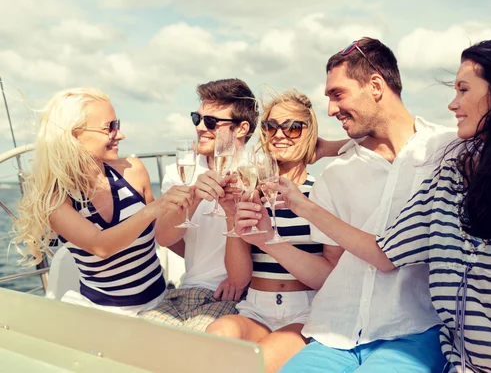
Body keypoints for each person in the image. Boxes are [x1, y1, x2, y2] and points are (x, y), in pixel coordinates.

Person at [236, 38, 491, 373]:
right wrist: (267, 240)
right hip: (333, 333)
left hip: (416, 331)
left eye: (337, 94)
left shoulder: (451, 150)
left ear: (375, 85)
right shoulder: (336, 174)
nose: (330, 110)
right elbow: (331, 271)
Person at [12, 88, 194, 316]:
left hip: (160, 303)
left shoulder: (133, 170)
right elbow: (101, 246)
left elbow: (163, 235)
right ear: (75, 135)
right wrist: (153, 209)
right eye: (110, 127)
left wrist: (209, 268)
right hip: (103, 314)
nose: (120, 134)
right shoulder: (56, 200)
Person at [206, 90, 345, 373]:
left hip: (306, 310)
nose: (280, 134)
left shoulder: (323, 193)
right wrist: (231, 215)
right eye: (271, 126)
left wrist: (269, 240)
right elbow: (239, 278)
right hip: (256, 306)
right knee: (215, 338)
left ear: (310, 133)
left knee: (255, 363)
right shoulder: (250, 191)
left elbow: (328, 277)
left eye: (293, 127)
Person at [140, 79, 259, 330]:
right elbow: (164, 238)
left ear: (241, 128)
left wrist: (240, 280)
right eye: (197, 118)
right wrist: (193, 196)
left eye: (211, 122)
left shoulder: (256, 174)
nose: (201, 128)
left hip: (233, 296)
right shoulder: (179, 172)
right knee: (137, 339)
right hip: (186, 290)